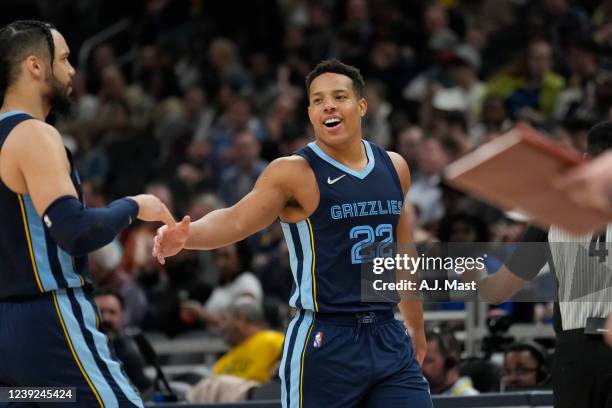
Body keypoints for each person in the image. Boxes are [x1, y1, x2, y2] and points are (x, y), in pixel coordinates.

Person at [154, 59, 432, 407]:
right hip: (325, 337)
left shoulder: (395, 166)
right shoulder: (293, 172)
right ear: (311, 113)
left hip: (387, 333)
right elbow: (237, 220)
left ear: (361, 106)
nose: (328, 105)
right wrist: (188, 235)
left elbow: (404, 254)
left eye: (339, 96)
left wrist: (416, 326)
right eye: (317, 100)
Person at [0, 20, 175, 407]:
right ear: (35, 67)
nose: (73, 71)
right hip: (49, 320)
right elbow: (75, 231)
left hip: (9, 340)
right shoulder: (33, 134)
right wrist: (133, 206)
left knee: (42, 400)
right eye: (64, 59)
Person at [462, 121, 612, 408]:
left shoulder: (552, 215)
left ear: (585, 161)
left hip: (576, 352)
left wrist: (478, 277)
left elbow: (497, 291)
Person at [213, 297, 284, 383]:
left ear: (241, 319)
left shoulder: (271, 339)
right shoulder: (222, 363)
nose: (221, 327)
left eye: (224, 320)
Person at [94, 290, 152, 394]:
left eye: (112, 312)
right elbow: (60, 395)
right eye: (100, 312)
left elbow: (143, 391)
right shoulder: (74, 348)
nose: (106, 318)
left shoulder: (132, 352)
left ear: (123, 314)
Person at [422, 331, 478, 396]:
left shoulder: (470, 399)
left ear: (450, 362)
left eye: (428, 361)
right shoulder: (423, 395)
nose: (421, 367)